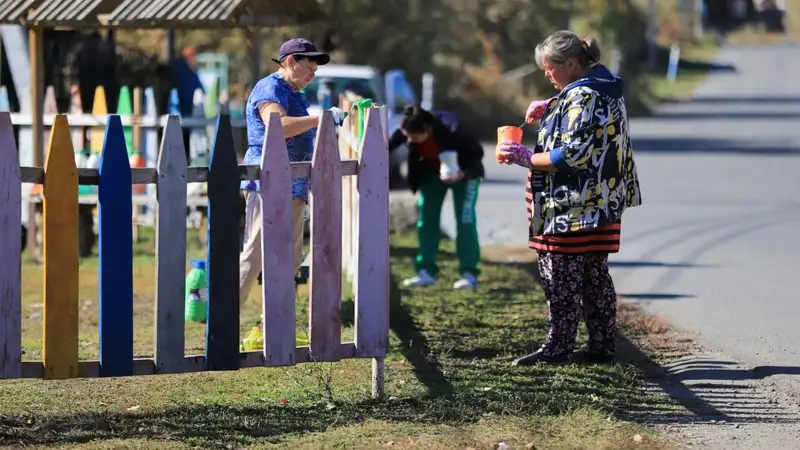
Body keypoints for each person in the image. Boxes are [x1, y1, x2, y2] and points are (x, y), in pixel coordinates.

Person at [496, 31, 642, 365]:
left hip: (571, 208)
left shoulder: (581, 98)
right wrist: (551, 105)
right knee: (595, 278)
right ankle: (601, 347)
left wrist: (525, 157)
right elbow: (591, 127)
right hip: (602, 203)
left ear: (571, 64)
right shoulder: (603, 86)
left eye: (549, 68)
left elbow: (572, 155)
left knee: (561, 278)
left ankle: (558, 348)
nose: (546, 74)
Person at [239, 38, 346, 318]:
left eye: (316, 66)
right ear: (289, 62)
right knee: (255, 253)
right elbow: (278, 126)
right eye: (309, 63)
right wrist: (321, 119)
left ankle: (274, 323)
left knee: (290, 258)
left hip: (293, 185)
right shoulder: (270, 87)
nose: (314, 71)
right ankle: (225, 321)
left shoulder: (295, 93)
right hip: (267, 181)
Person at [389, 105, 485, 290]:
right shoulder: (409, 128)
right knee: (426, 220)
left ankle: (469, 273)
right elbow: (385, 146)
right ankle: (425, 271)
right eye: (407, 136)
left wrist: (464, 172)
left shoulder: (453, 127)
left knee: (465, 221)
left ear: (428, 129)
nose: (409, 140)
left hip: (464, 174)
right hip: (431, 174)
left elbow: (476, 153)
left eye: (413, 137)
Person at [172, 46, 205, 160]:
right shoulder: (185, 73)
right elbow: (199, 90)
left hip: (187, 115)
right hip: (183, 114)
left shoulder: (186, 72)